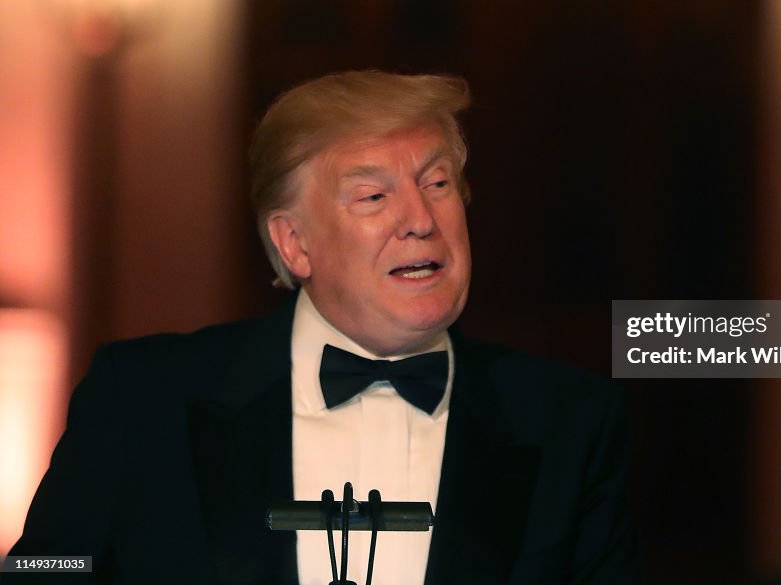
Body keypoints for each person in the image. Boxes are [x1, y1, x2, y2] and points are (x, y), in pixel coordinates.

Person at [7, 71, 641, 584]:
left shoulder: (572, 423)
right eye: (373, 196)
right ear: (294, 243)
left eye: (438, 183)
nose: (421, 219)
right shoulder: (143, 397)